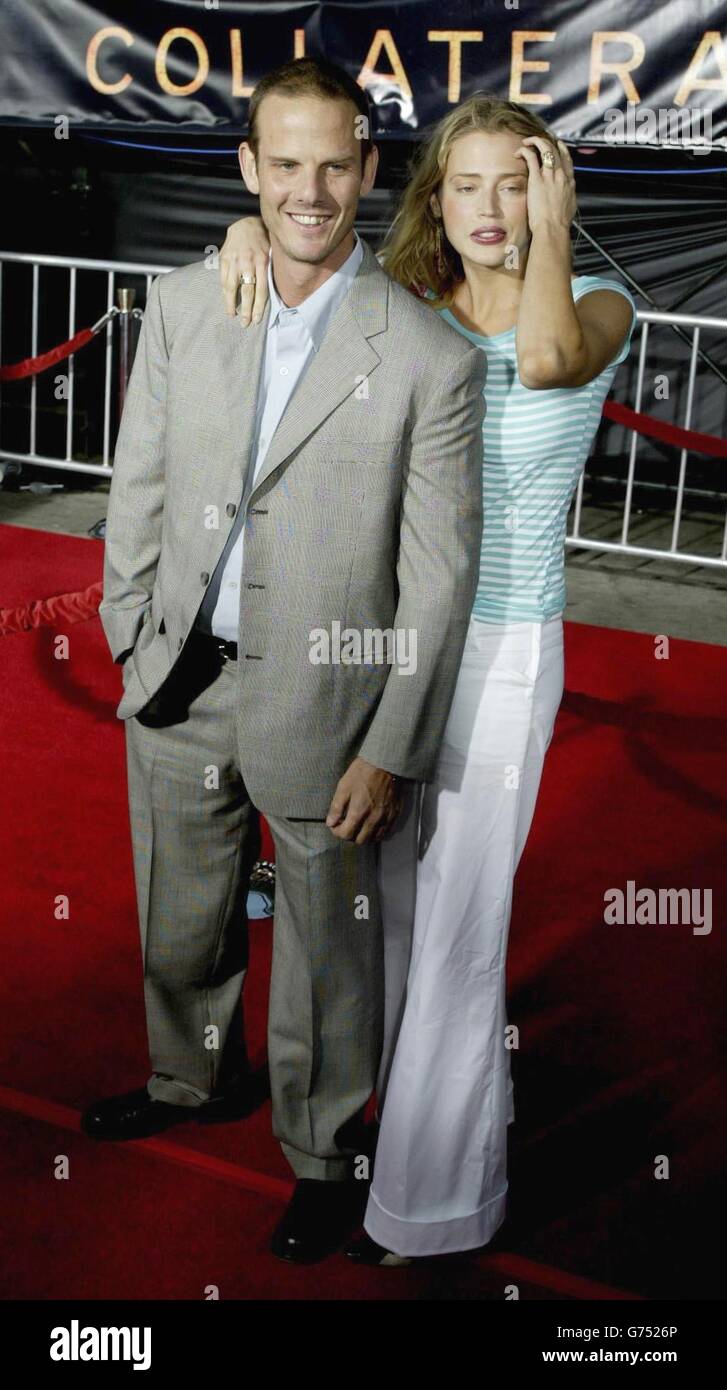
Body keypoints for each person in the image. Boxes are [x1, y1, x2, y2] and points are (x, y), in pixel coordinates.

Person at [218, 92, 636, 1264]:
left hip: (504, 656)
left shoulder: (600, 303)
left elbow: (547, 358)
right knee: (392, 916)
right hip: (396, 649)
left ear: (551, 188)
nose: (491, 208)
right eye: (468, 185)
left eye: (517, 181)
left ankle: (432, 1204)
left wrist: (553, 235)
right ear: (433, 201)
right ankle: (451, 1118)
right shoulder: (402, 310)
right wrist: (246, 234)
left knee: (459, 925)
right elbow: (295, 285)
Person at [84, 56, 486, 1265]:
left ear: (368, 171)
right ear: (248, 169)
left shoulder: (429, 356)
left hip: (330, 697)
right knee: (179, 918)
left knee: (325, 948)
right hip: (179, 675)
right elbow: (138, 482)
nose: (309, 191)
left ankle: (322, 1150)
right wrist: (128, 627)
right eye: (285, 163)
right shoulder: (188, 300)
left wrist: (394, 740)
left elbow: (438, 576)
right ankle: (193, 1075)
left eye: (334, 165)